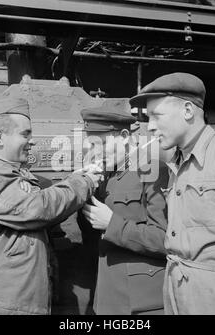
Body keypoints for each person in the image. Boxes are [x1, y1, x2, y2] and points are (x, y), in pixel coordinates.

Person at [0, 97, 102, 315]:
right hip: (0, 304)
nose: (31, 141)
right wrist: (84, 182)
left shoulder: (4, 170)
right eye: (25, 134)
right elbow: (37, 208)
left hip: (8, 301)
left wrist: (72, 179)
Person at [130, 72, 215, 315]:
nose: (151, 126)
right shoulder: (178, 160)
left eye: (156, 116)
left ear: (188, 111)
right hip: (179, 292)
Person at [80, 104, 169, 315]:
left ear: (125, 135)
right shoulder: (104, 175)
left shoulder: (153, 171)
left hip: (142, 302)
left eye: (101, 143)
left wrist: (112, 224)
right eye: (90, 145)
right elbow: (90, 234)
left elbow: (166, 240)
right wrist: (85, 187)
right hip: (108, 298)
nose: (95, 152)